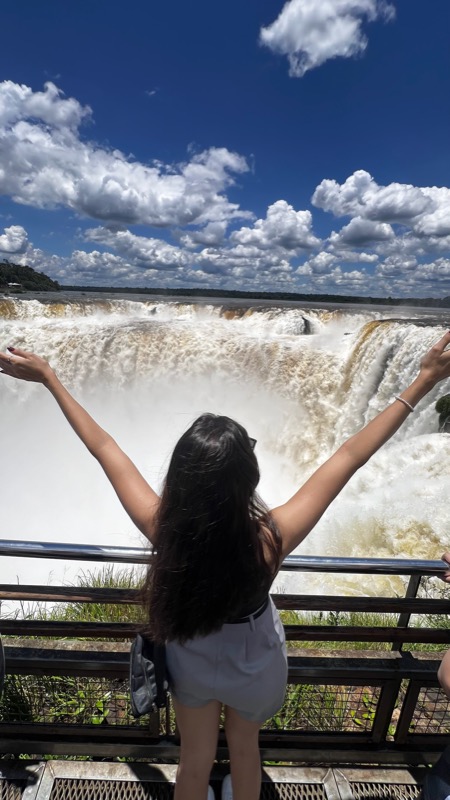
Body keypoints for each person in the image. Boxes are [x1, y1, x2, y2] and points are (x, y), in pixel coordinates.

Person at [2, 332, 450, 800]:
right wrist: (423, 380)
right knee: (245, 752)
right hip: (255, 659)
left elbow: (105, 448)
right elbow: (350, 456)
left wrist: (50, 380)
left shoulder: (164, 529)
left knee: (194, 761)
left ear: (181, 477)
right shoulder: (272, 539)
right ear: (249, 477)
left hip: (192, 655)